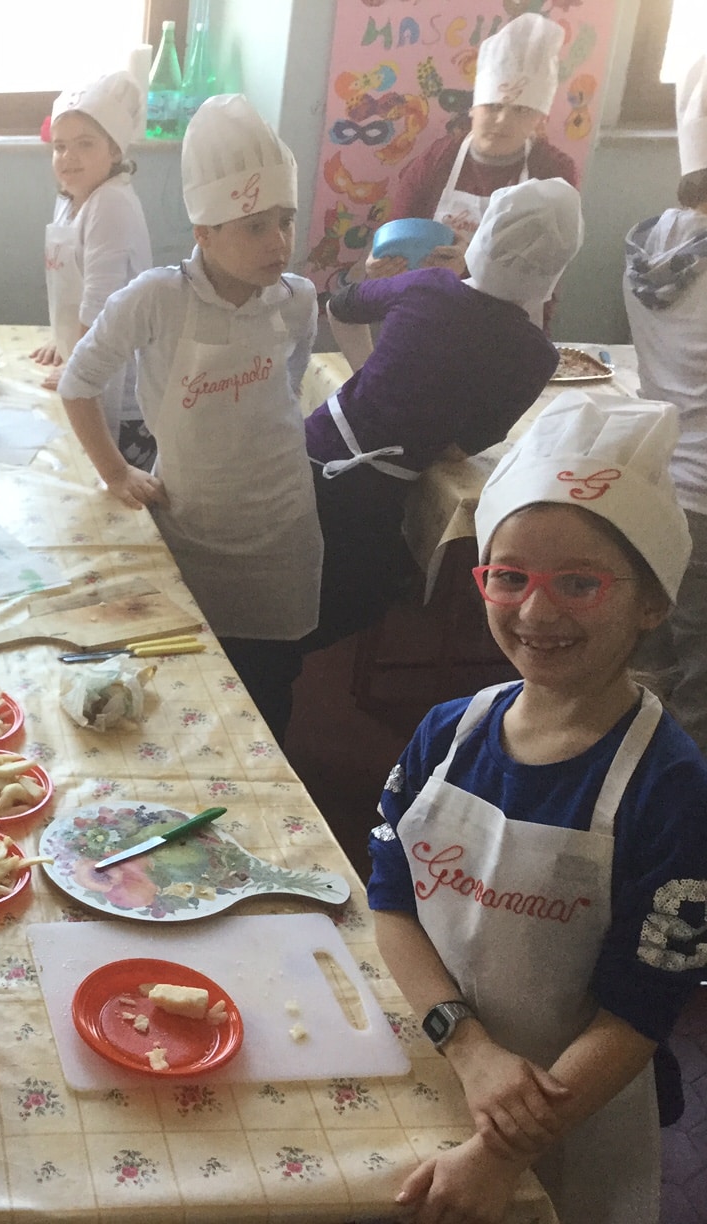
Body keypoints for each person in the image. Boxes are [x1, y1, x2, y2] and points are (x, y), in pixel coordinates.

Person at [366, 392, 707, 1224]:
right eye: (509, 576)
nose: (536, 611)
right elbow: (391, 898)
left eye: (580, 583)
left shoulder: (672, 789)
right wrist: (469, 1045)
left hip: (567, 1109)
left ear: (652, 601)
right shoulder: (451, 731)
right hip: (437, 1050)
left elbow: (640, 1010)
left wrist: (499, 1150)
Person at [59, 94, 321, 741]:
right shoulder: (157, 298)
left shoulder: (297, 301)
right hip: (193, 529)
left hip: (281, 532)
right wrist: (116, 471)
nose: (279, 241)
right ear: (205, 232)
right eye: (255, 226)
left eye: (284, 221)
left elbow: (285, 391)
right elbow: (78, 381)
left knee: (269, 688)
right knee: (181, 685)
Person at [304, 177, 582, 651]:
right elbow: (456, 449)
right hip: (376, 493)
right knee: (356, 601)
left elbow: (340, 306)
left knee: (294, 579)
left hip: (310, 449)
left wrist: (372, 374)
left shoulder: (428, 285)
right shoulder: (537, 355)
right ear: (557, 268)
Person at [623, 52, 707, 753]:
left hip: (659, 481)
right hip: (706, 498)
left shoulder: (652, 243)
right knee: (702, 681)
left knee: (654, 659)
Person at [367, 12, 577, 281]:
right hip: (428, 301)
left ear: (539, 118)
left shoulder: (554, 174)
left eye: (521, 111)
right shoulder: (438, 158)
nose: (502, 121)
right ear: (473, 109)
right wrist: (379, 264)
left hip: (506, 315)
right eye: (493, 107)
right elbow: (395, 232)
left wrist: (468, 268)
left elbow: (544, 271)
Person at [31, 69, 156, 471]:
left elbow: (101, 305)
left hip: (124, 394)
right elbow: (73, 288)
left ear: (115, 150)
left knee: (107, 484)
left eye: (85, 144)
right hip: (86, 356)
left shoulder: (110, 205)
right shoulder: (72, 198)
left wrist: (76, 367)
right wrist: (64, 340)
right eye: (60, 146)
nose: (68, 157)